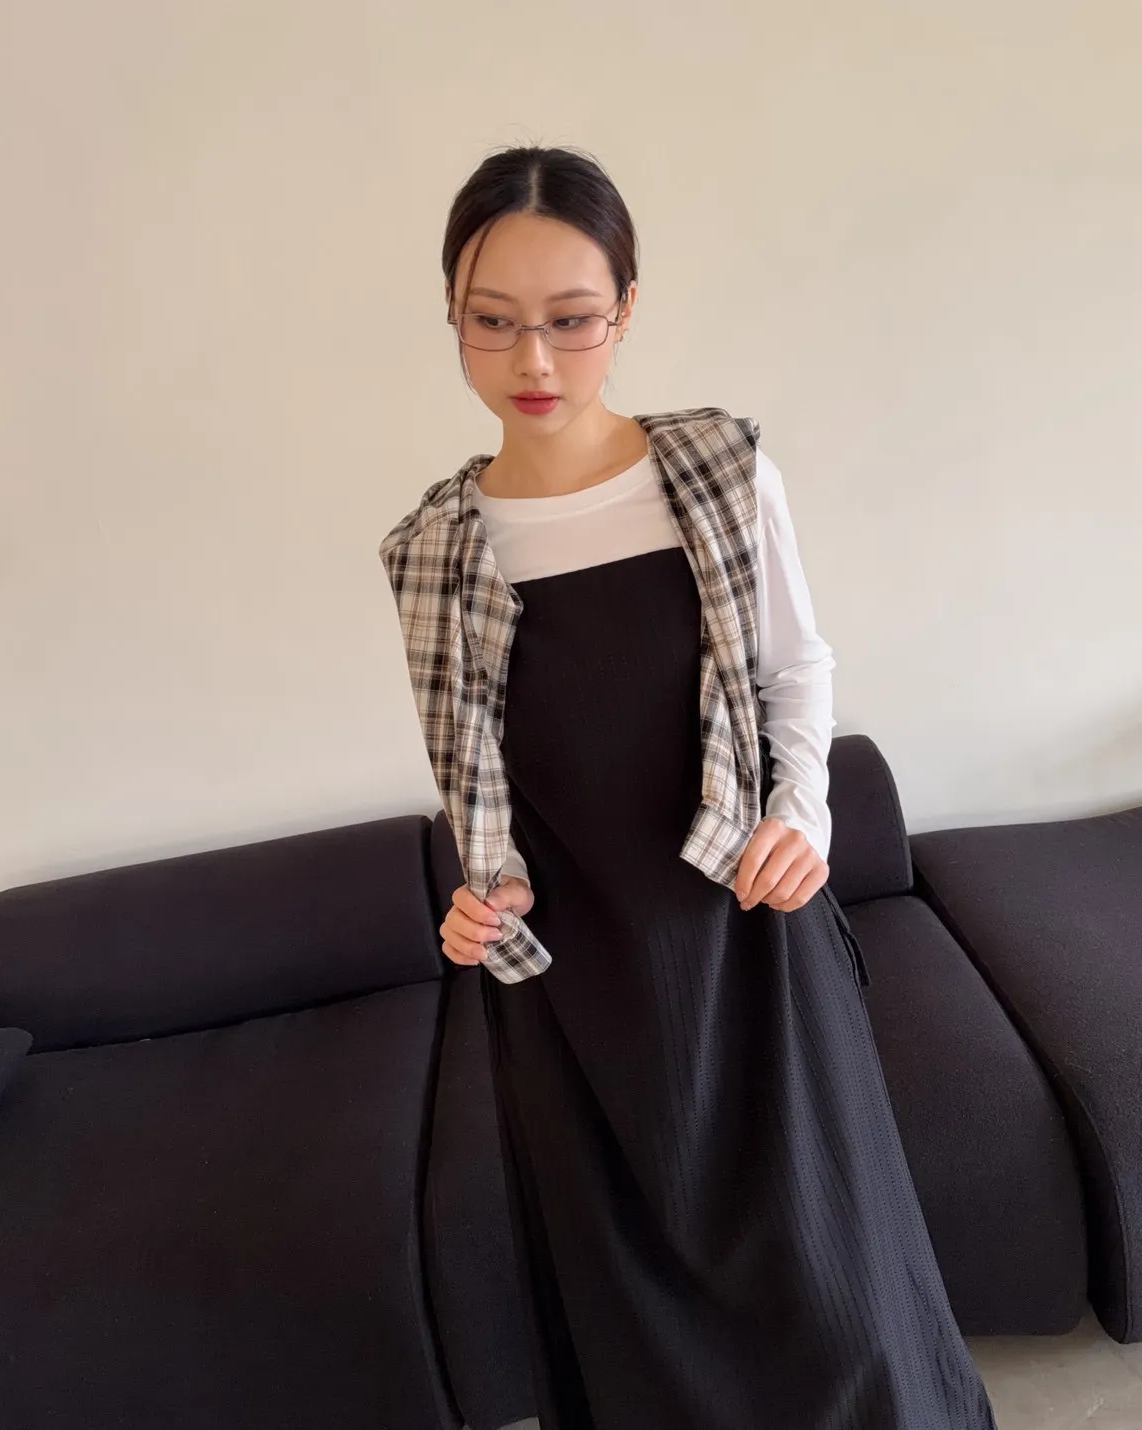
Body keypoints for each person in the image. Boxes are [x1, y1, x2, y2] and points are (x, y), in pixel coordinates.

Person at [379, 145, 997, 1430]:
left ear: (626, 309)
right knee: (630, 1325)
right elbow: (479, 784)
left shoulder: (717, 471)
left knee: (840, 1298)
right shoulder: (433, 547)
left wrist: (800, 814)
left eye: (571, 319)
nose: (533, 360)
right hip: (570, 985)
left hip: (748, 934)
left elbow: (793, 669)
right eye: (492, 321)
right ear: (450, 313)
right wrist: (480, 898)